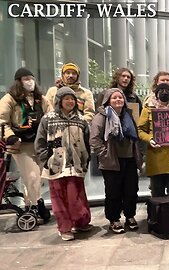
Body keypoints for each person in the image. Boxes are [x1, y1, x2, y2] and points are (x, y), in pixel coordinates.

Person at [34, 87, 92, 241]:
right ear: (59, 100)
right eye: (66, 98)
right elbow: (39, 142)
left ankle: (80, 222)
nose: (70, 101)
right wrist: (46, 158)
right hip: (55, 166)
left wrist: (86, 158)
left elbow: (87, 142)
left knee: (77, 195)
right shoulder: (48, 119)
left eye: (72, 99)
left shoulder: (81, 120)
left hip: (76, 165)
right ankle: (64, 228)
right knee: (58, 198)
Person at [0, 67, 51, 223]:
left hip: (40, 144)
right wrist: (10, 136)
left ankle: (30, 206)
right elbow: (1, 121)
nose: (30, 81)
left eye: (31, 78)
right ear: (19, 81)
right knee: (32, 176)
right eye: (26, 79)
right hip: (21, 146)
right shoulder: (9, 99)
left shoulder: (40, 99)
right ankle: (39, 204)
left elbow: (51, 115)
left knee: (37, 178)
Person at [90, 88, 143, 234]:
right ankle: (114, 219)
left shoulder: (128, 115)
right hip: (111, 161)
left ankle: (130, 216)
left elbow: (135, 136)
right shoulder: (101, 117)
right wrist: (104, 154)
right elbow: (94, 140)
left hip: (129, 159)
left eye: (120, 97)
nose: (118, 100)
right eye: (114, 98)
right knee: (113, 192)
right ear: (108, 100)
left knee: (131, 190)